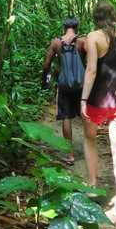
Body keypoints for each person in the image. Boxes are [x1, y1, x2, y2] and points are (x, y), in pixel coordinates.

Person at [80, 0, 116, 219]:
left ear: (96, 17)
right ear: (115, 14)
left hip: (96, 100)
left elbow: (91, 70)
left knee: (90, 138)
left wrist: (83, 99)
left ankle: (92, 185)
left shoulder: (93, 37)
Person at [42, 16, 87, 165]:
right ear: (76, 26)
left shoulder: (56, 43)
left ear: (64, 26)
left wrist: (44, 79)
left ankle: (70, 154)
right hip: (81, 84)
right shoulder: (82, 41)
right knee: (84, 113)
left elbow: (46, 64)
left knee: (66, 116)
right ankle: (90, 149)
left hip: (64, 85)